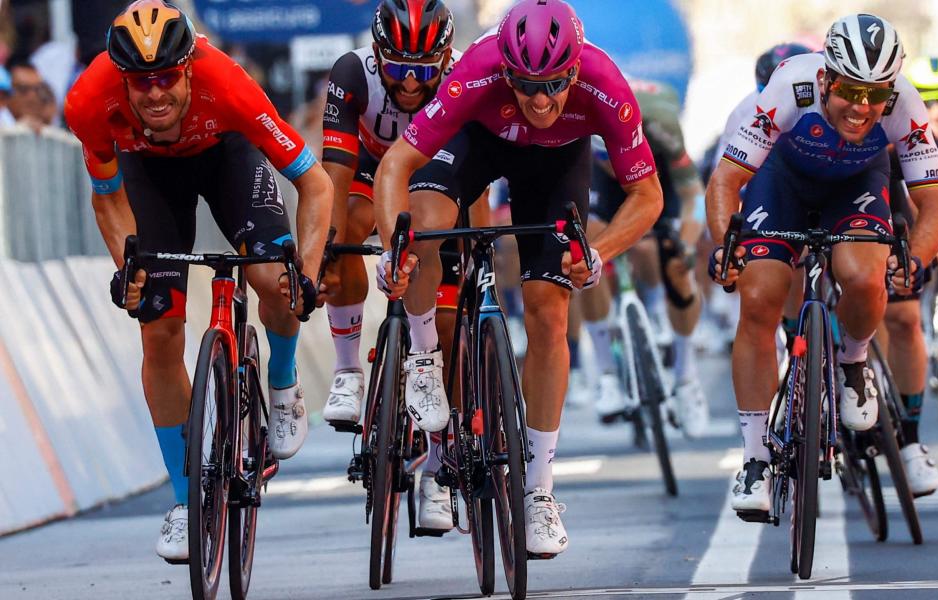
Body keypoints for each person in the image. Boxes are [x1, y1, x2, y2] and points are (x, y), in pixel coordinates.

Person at [373, 0, 663, 555]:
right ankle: (427, 357)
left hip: (556, 168)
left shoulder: (608, 86)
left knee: (550, 314)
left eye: (554, 84)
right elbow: (396, 166)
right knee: (425, 228)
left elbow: (647, 196)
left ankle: (539, 494)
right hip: (476, 144)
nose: (539, 99)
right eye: (525, 84)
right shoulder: (477, 69)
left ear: (575, 71)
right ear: (505, 69)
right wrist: (396, 248)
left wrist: (597, 253)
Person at [64, 0, 332, 561]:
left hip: (227, 155)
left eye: (166, 77)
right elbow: (109, 202)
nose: (155, 93)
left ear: (187, 68)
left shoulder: (228, 85)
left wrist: (305, 272)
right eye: (140, 83)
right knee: (158, 329)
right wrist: (128, 271)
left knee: (274, 280)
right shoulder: (89, 101)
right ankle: (186, 502)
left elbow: (316, 184)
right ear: (121, 82)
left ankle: (281, 384)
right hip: (149, 174)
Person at [707, 14, 938, 516]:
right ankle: (754, 459)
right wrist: (724, 247)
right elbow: (726, 181)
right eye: (848, 91)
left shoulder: (904, 102)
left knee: (865, 276)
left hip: (856, 185)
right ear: (825, 79)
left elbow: (935, 203)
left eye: (874, 94)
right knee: (758, 299)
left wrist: (919, 262)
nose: (862, 108)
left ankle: (853, 363)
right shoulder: (788, 85)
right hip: (783, 182)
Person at [317, 0, 466, 533]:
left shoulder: (461, 78)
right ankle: (348, 368)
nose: (408, 83)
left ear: (445, 60)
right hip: (367, 167)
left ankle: (442, 468)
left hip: (437, 178)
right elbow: (333, 173)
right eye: (398, 67)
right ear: (378, 53)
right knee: (345, 232)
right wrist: (328, 247)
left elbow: (480, 176)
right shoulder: (351, 71)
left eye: (423, 71)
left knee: (449, 321)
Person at [584, 80, 708, 436]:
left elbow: (692, 196)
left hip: (654, 176)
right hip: (601, 185)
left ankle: (686, 378)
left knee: (672, 260)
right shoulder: (585, 125)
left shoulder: (661, 126)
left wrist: (684, 246)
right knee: (584, 250)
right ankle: (606, 373)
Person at [879, 55, 938, 496]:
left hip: (884, 191)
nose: (936, 111)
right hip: (811, 189)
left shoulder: (908, 121)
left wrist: (918, 260)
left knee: (903, 314)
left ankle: (909, 438)